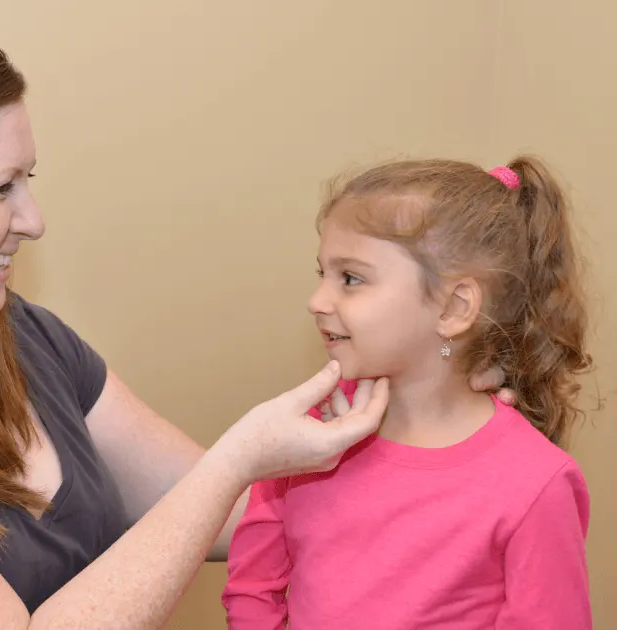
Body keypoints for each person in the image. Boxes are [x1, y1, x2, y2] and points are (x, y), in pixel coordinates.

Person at [0, 12, 511, 629]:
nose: (34, 220)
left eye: (29, 180)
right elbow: (219, 485)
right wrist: (239, 457)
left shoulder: (20, 338)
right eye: (2, 190)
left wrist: (429, 445)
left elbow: (228, 515)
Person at [222, 157, 594, 629]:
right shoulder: (306, 437)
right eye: (323, 274)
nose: (317, 302)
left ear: (454, 307)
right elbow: (252, 588)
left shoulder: (535, 482)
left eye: (351, 279)